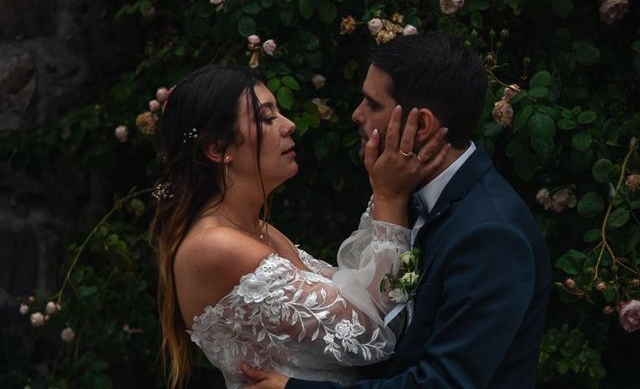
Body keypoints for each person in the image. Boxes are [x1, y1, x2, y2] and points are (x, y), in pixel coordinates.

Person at [242, 32, 552, 389]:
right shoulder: (403, 191)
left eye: (372, 104)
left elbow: (443, 383)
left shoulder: (491, 234)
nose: (357, 115)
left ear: (420, 125)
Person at [149, 64, 448, 389]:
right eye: (266, 118)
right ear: (219, 150)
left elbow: (362, 292)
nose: (289, 125)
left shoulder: (258, 229)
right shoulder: (219, 246)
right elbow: (375, 334)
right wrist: (389, 197)